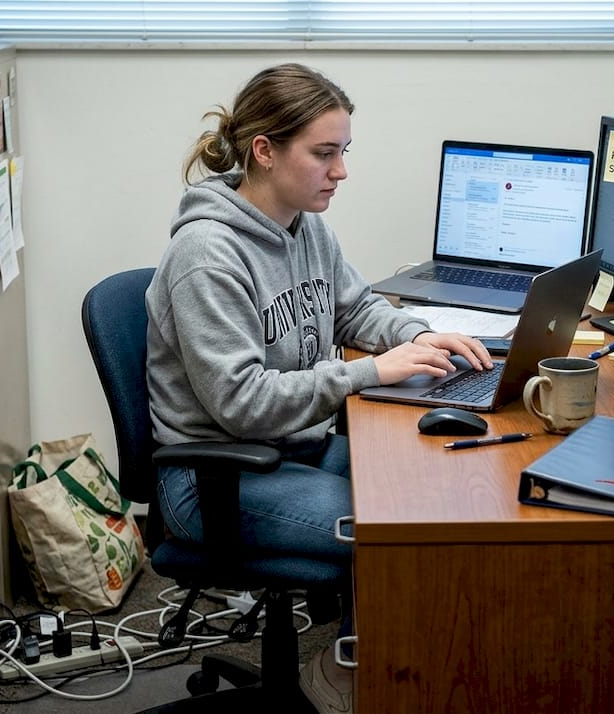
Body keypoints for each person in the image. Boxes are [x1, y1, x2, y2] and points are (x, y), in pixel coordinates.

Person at [144, 63, 492, 712]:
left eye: (343, 152)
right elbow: (242, 402)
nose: (341, 171)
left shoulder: (306, 225)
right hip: (215, 478)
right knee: (395, 532)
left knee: (424, 490)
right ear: (265, 152)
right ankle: (343, 674)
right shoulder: (208, 255)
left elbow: (357, 310)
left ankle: (382, 667)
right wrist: (368, 372)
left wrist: (418, 337)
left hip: (288, 450)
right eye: (324, 154)